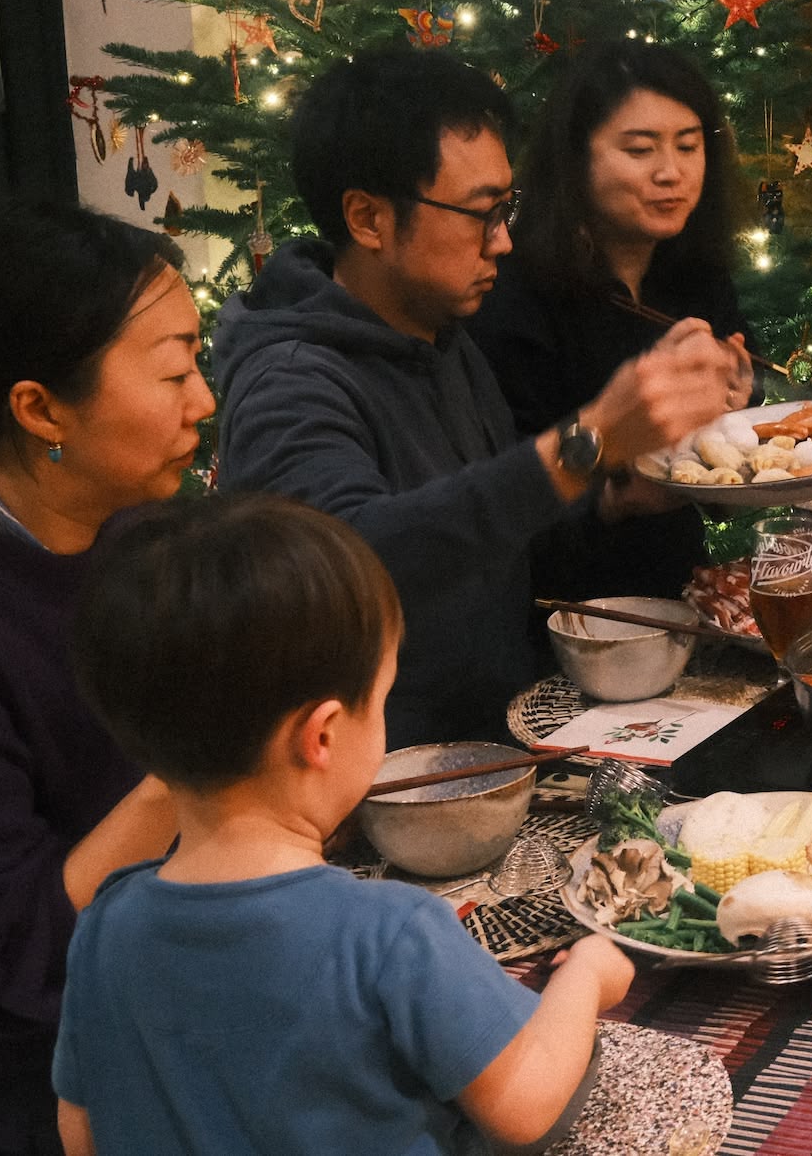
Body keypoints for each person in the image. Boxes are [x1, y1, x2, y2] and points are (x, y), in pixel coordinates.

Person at [54, 494, 634, 1154]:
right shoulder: (392, 933)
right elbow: (528, 1102)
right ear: (324, 735)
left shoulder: (104, 928)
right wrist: (585, 976)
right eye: (381, 698)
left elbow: (82, 1134)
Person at [213, 50, 741, 748]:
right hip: (382, 783)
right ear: (369, 219)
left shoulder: (442, 337)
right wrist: (584, 444)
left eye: (507, 206)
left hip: (498, 740)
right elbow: (353, 565)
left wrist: (616, 500)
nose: (504, 240)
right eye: (479, 214)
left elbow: (501, 547)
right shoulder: (289, 376)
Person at [0, 202, 208, 1153]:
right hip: (10, 1109)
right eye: (176, 369)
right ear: (39, 408)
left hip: (165, 1030)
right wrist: (205, 763)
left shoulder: (134, 532)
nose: (204, 400)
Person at [469, 42, 757, 601]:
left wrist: (734, 400)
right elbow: (499, 508)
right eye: (640, 149)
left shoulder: (694, 275)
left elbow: (724, 476)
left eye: (689, 146)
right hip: (556, 612)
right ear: (577, 160)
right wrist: (613, 498)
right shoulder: (513, 292)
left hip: (676, 594)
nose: (671, 173)